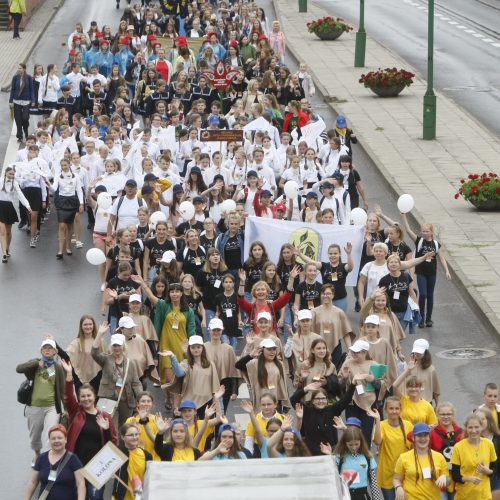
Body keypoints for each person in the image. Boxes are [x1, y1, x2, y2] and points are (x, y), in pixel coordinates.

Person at [61, 359, 116, 500]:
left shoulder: (105, 417)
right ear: (79, 398)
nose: (86, 399)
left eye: (89, 396)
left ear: (94, 396)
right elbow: (67, 398)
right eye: (83, 396)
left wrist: (107, 429)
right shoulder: (76, 413)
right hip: (77, 466)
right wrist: (69, 376)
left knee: (96, 497)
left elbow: (113, 444)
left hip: (97, 468)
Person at [136, 279, 196, 384]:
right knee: (169, 377)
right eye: (172, 292)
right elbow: (151, 297)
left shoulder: (188, 311)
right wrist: (142, 283)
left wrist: (192, 347)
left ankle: (172, 397)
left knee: (180, 375)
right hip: (166, 345)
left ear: (181, 293)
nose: (175, 294)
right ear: (169, 294)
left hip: (182, 346)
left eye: (177, 291)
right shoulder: (164, 305)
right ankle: (170, 395)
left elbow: (191, 330)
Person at [16, 338, 65, 463]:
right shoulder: (36, 363)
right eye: (45, 348)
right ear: (41, 350)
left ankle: (48, 461)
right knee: (34, 437)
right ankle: (37, 453)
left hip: (51, 407)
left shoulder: (58, 368)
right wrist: (36, 364)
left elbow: (62, 389)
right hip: (34, 406)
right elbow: (19, 368)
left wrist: (65, 408)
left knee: (51, 435)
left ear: (55, 351)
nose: (47, 350)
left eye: (50, 348)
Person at [401, 213, 452, 328]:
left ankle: (429, 319)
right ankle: (421, 318)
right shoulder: (419, 241)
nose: (424, 233)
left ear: (431, 232)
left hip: (432, 273)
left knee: (430, 295)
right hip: (421, 273)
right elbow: (408, 230)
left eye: (426, 231)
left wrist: (447, 271)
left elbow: (442, 259)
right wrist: (404, 216)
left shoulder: (436, 244)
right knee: (423, 294)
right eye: (422, 231)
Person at [91, 328, 142, 429]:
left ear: (123, 346)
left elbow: (136, 383)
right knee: (109, 427)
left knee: (125, 427)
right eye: (114, 345)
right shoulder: (105, 359)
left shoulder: (130, 363)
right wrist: (99, 334)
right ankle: (110, 445)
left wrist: (141, 398)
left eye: (119, 345)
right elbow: (94, 353)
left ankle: (122, 445)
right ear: (111, 346)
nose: (117, 348)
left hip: (126, 400)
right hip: (108, 399)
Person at [290, 379, 355, 455]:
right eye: (317, 398)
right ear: (312, 401)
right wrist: (306, 389)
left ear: (327, 400)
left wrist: (353, 384)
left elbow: (346, 399)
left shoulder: (333, 410)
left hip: (331, 452)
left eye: (323, 398)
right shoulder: (307, 411)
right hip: (311, 454)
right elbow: (293, 399)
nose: (321, 401)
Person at [23, 424, 86, 500]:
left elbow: (81, 484)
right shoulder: (41, 458)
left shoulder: (73, 459)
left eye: (60, 438)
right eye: (53, 438)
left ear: (65, 439)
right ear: (49, 440)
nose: (56, 441)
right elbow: (32, 482)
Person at [393, 423, 449, 500]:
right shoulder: (403, 458)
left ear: (429, 437)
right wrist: (398, 487)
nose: (423, 439)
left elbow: (448, 481)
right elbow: (396, 479)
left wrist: (444, 478)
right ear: (413, 438)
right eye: (419, 436)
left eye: (425, 435)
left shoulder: (439, 457)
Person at [372, 397, 414, 500]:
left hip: (405, 473)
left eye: (397, 408)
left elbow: (414, 447)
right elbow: (377, 441)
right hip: (387, 473)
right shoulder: (381, 425)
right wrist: (377, 420)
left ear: (400, 409)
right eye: (391, 408)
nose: (394, 411)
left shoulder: (408, 425)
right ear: (386, 409)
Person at [236, 338, 289, 412]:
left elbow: (283, 385)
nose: (272, 352)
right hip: (260, 403)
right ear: (262, 350)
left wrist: (284, 402)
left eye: (274, 349)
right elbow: (238, 365)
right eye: (269, 349)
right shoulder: (255, 363)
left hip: (276, 403)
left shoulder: (279, 364)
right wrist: (251, 355)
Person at [328, 426, 379, 500]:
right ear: (345, 443)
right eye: (350, 445)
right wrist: (329, 455)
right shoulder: (339, 457)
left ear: (361, 442)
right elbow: (333, 478)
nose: (354, 447)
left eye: (356, 444)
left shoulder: (367, 457)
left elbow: (373, 483)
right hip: (345, 495)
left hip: (362, 495)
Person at [311, 283, 354, 368]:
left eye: (328, 293)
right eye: (323, 293)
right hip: (318, 347)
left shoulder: (339, 312)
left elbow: (346, 332)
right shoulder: (314, 312)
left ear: (333, 295)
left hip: (336, 347)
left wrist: (350, 349)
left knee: (335, 373)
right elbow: (309, 331)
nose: (325, 296)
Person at [203, 318, 238, 413]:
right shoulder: (203, 347)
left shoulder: (228, 349)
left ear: (222, 330)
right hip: (207, 385)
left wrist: (234, 391)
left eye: (218, 330)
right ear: (209, 330)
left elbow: (233, 370)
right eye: (214, 330)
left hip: (224, 386)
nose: (216, 332)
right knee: (208, 414)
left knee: (221, 414)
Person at [113, 423, 152, 500]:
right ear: (122, 437)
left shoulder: (146, 455)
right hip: (121, 496)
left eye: (136, 434)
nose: (135, 437)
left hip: (140, 496)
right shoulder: (118, 453)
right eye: (131, 435)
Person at [0, 165, 31, 262]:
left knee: (8, 232)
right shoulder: (0, 181)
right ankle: (4, 253)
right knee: (2, 231)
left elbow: (20, 195)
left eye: (13, 174)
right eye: (10, 173)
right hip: (0, 205)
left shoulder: (15, 183)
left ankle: (7, 248)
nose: (11, 175)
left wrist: (28, 206)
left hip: (9, 207)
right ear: (5, 173)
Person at [9, 63, 35, 142]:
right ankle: (19, 136)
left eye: (20, 68)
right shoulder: (15, 77)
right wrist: (11, 101)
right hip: (17, 101)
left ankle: (26, 130)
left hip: (26, 101)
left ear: (24, 69)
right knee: (18, 119)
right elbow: (12, 89)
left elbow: (31, 90)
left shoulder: (29, 78)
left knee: (25, 118)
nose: (19, 69)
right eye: (18, 68)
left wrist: (33, 100)